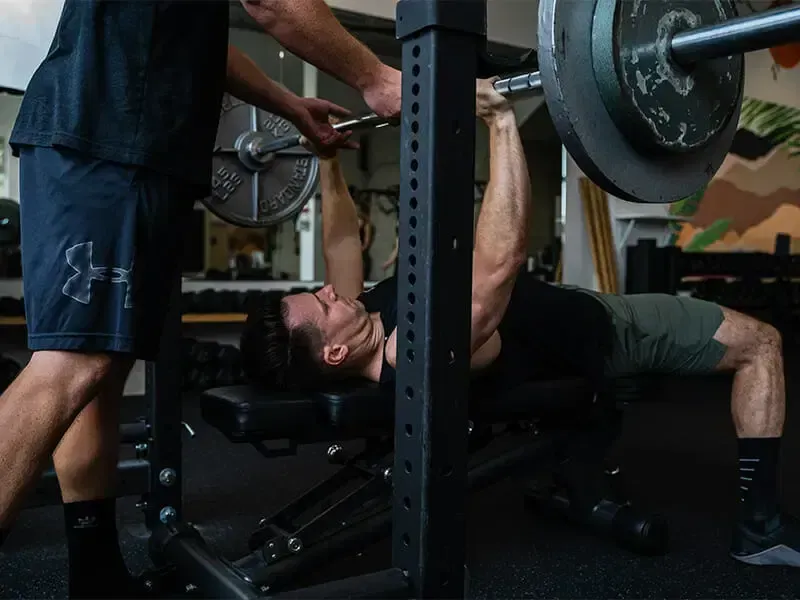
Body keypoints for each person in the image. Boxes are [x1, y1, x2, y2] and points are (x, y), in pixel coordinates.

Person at [241, 79, 800, 568]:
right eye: (321, 304)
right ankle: (759, 527)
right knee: (761, 342)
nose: (329, 291)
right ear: (335, 354)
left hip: (566, 308)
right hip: (606, 329)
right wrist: (501, 121)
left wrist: (330, 160)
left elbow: (341, 239)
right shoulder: (415, 354)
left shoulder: (363, 323)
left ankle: (581, 468)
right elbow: (498, 269)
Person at [0, 0, 401, 597]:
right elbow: (276, 4)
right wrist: (377, 77)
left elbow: (201, 45)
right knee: (71, 366)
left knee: (96, 373)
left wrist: (289, 106)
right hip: (111, 138)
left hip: (116, 140)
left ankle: (96, 574)